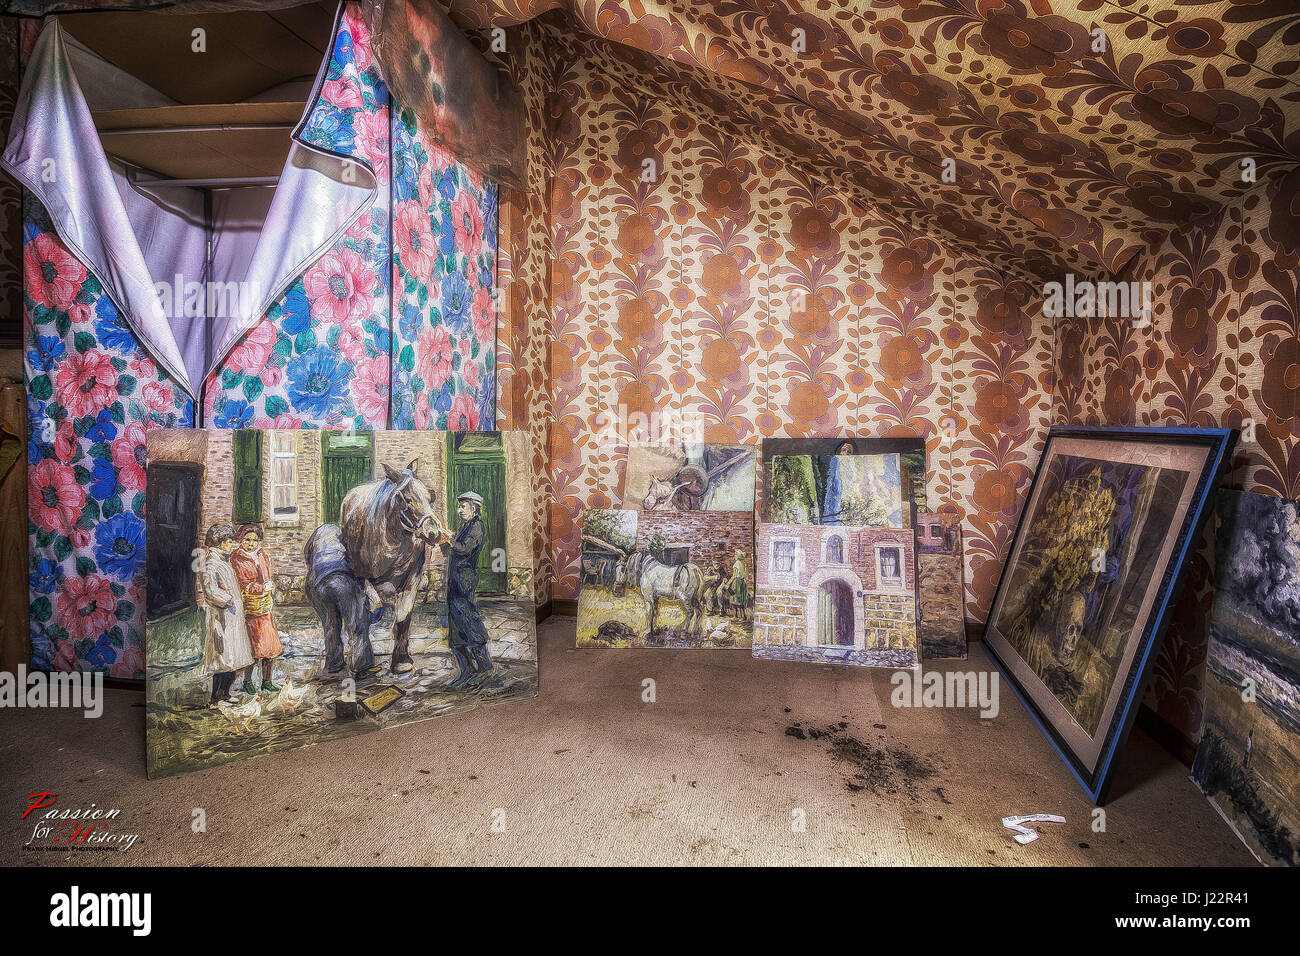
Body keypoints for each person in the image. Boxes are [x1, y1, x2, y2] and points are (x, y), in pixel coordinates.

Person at [200, 524, 254, 705]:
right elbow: (210, 591)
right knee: (223, 659)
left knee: (232, 659)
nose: (232, 545)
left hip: (232, 617)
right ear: (221, 543)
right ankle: (217, 696)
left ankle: (226, 694)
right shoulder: (211, 563)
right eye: (229, 542)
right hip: (221, 618)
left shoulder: (224, 561)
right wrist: (228, 599)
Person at [445, 491, 494, 689]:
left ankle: (484, 668)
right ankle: (466, 670)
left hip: (465, 581)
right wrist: (444, 542)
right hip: (454, 581)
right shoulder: (464, 526)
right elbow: (452, 550)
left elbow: (464, 549)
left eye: (463, 506)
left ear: (474, 507)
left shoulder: (477, 527)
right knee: (456, 630)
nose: (459, 510)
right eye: (459, 506)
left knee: (470, 623)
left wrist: (449, 540)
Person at [231, 523, 283, 694]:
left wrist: (269, 587)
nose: (251, 543)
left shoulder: (262, 555)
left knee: (269, 646)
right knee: (254, 648)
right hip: (250, 609)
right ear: (240, 540)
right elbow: (242, 584)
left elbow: (268, 574)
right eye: (247, 540)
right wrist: (261, 588)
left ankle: (267, 681)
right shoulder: (237, 558)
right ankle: (248, 681)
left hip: (264, 607)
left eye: (254, 540)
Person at [726, 550, 749, 622]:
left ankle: (735, 616)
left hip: (736, 583)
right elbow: (746, 575)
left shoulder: (736, 564)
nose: (734, 556)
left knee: (734, 599)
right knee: (741, 600)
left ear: (737, 556)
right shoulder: (743, 564)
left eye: (735, 555)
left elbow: (734, 575)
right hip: (742, 583)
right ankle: (743, 616)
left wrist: (728, 584)